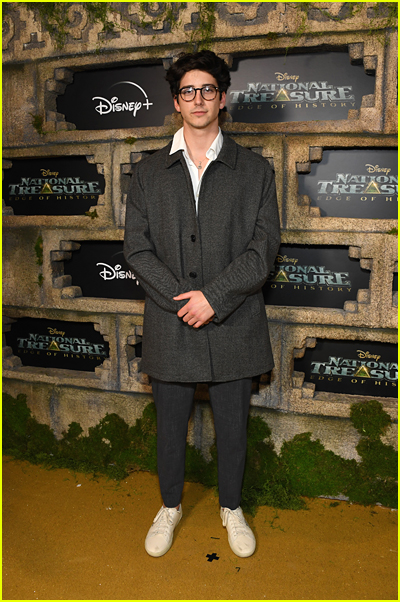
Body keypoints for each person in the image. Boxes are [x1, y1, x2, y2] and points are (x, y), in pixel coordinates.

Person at [124, 50, 280, 558]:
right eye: (188, 91)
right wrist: (182, 302)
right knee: (169, 427)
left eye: (208, 90)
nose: (198, 99)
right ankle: (169, 506)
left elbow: (264, 250)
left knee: (234, 427)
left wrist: (214, 298)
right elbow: (136, 249)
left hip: (234, 322)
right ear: (175, 101)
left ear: (223, 98)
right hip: (170, 324)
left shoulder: (255, 171)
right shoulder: (148, 173)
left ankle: (231, 508)